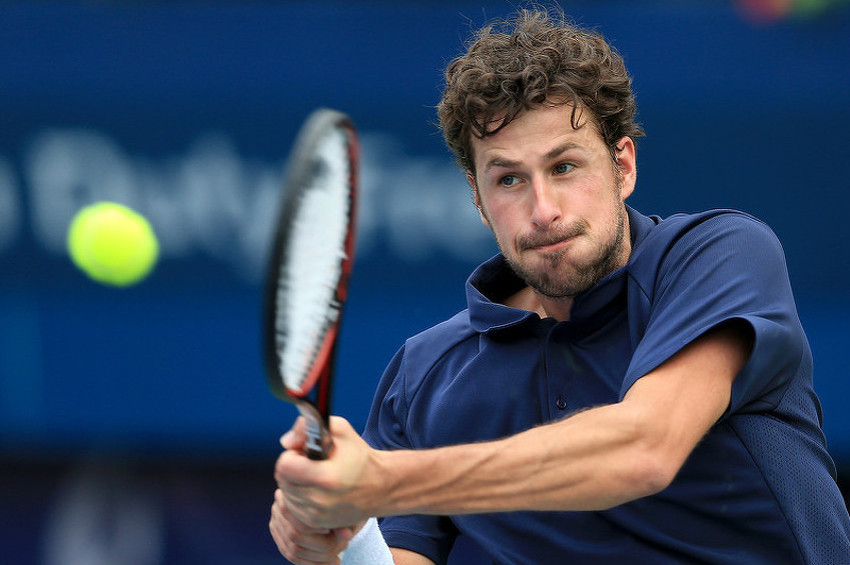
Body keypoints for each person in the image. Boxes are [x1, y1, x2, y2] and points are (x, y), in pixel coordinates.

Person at [269, 8, 850, 565]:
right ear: (478, 198)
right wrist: (335, 540)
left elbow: (643, 449)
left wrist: (380, 483)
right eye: (509, 179)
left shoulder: (719, 256)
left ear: (622, 166)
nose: (542, 210)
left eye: (564, 167)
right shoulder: (424, 376)